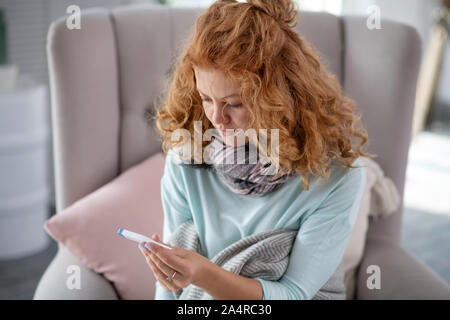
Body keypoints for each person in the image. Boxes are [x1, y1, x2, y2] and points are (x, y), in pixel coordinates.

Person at [139, 0, 371, 300]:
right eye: (206, 98)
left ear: (279, 98)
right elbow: (169, 285)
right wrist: (173, 274)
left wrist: (204, 275)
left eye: (234, 104)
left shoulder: (334, 177)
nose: (217, 119)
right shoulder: (187, 156)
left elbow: (294, 293)